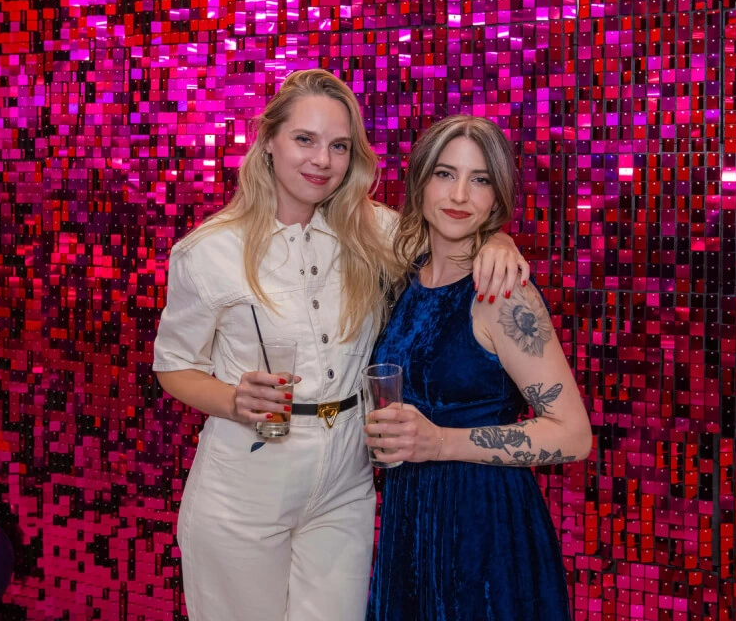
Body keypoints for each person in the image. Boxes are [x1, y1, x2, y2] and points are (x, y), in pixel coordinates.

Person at [152, 71, 529, 621]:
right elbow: (174, 367)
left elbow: (454, 226)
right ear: (269, 140)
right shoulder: (208, 251)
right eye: (305, 139)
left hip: (346, 481)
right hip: (245, 484)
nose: (321, 160)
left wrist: (499, 238)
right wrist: (233, 399)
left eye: (338, 146)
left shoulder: (374, 230)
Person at [364, 114, 592, 621]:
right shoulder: (406, 278)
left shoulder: (504, 296)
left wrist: (441, 442)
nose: (460, 195)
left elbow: (574, 435)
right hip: (412, 517)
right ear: (420, 182)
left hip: (484, 528)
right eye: (445, 174)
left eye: (480, 179)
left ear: (497, 198)